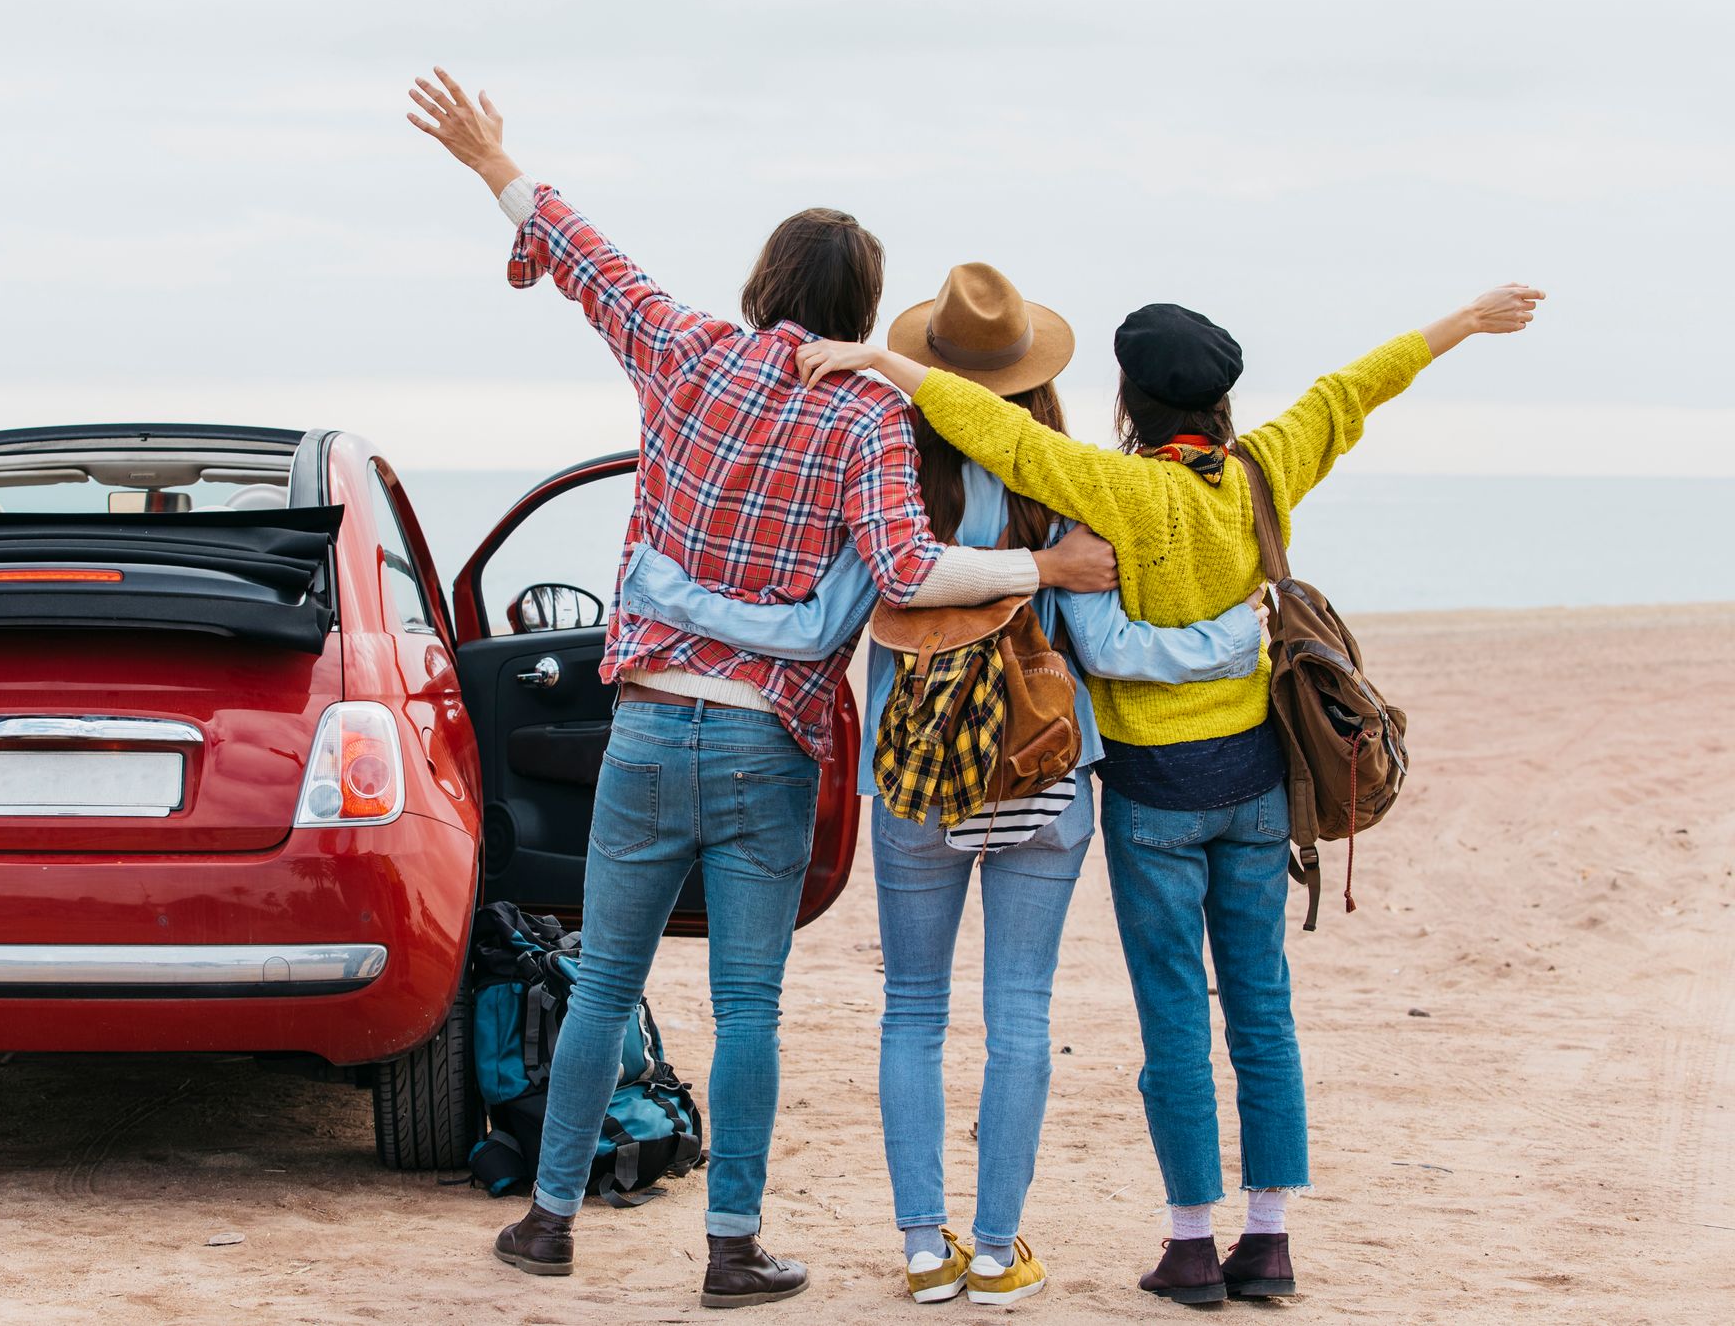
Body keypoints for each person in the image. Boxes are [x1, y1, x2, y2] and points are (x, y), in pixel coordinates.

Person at [405, 71, 1116, 1310]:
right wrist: (1042, 564)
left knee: (604, 984)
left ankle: (549, 1221)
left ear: (761, 284)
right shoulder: (862, 418)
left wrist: (492, 163)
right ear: (862, 313)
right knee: (747, 1006)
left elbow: (585, 257)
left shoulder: (682, 351)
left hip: (640, 729)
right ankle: (730, 1247)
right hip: (762, 746)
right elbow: (904, 568)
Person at [794, 282, 1545, 1304]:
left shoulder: (1112, 488)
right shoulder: (1261, 471)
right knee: (1262, 1010)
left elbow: (991, 431)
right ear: (1221, 404)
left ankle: (1190, 1242)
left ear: (1126, 402)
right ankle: (1268, 1237)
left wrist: (887, 364)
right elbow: (1351, 391)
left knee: (1171, 1021)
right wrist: (1460, 322)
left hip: (1151, 800)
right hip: (1255, 788)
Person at [616, 263, 1269, 1307]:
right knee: (1019, 1011)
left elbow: (837, 603)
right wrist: (1235, 635)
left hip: (916, 777)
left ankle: (925, 1248)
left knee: (911, 1010)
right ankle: (999, 1247)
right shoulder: (1066, 480)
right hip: (1044, 777)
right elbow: (1102, 638)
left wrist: (665, 592)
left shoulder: (886, 458)